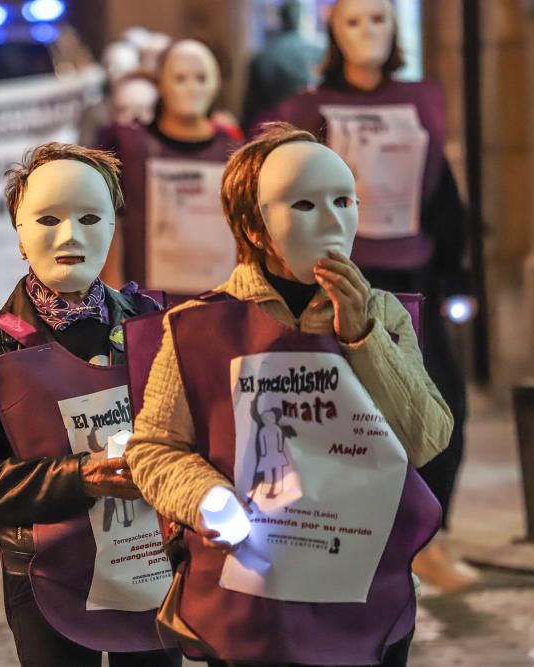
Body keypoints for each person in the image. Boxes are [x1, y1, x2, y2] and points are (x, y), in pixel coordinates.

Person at [124, 123, 451, 666]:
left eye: (345, 200)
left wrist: (362, 337)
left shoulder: (384, 314)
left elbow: (426, 439)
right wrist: (208, 499)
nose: (332, 222)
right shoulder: (196, 326)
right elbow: (154, 447)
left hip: (363, 589)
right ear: (254, 226)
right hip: (253, 596)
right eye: (303, 204)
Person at [0, 142, 180, 667]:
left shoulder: (149, 325)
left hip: (148, 565)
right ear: (20, 234)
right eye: (48, 219)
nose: (70, 236)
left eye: (90, 217)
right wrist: (81, 476)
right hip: (46, 574)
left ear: (112, 228)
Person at [268, 0, 472, 590]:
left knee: (437, 403)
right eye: (353, 21)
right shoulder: (307, 108)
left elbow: (443, 191)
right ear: (333, 30)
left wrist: (456, 272)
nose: (368, 33)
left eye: (379, 18)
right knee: (335, 415)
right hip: (332, 278)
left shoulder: (423, 101)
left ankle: (430, 536)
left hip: (415, 276)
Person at [98, 39, 239, 301]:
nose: (191, 89)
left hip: (217, 306)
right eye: (180, 77)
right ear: (160, 82)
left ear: (216, 81)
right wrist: (115, 300)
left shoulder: (234, 153)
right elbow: (113, 224)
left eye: (201, 77)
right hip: (147, 306)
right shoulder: (129, 146)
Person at [242, 0, 321, 131]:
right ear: (306, 17)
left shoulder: (265, 54)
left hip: (277, 128)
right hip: (316, 125)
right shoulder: (323, 48)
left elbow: (251, 106)